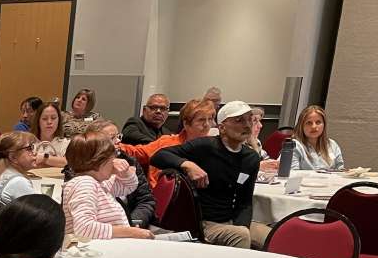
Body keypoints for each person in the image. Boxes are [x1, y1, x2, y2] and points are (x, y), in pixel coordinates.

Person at [153, 100, 271, 249]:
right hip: (203, 223)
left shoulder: (251, 158)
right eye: (239, 120)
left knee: (274, 236)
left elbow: (244, 201)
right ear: (222, 128)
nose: (247, 125)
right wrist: (188, 164)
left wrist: (243, 226)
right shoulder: (205, 146)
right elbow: (158, 156)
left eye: (249, 119)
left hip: (231, 220)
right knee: (240, 236)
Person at [62, 133, 152, 240]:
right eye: (112, 158)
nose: (114, 162)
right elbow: (84, 228)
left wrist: (125, 173)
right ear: (99, 161)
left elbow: (129, 187)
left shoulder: (99, 182)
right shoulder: (84, 184)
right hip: (97, 252)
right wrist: (130, 232)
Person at [119, 98, 215, 187]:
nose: (207, 124)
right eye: (201, 120)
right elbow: (138, 153)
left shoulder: (215, 146)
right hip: (164, 197)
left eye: (210, 119)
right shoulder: (167, 142)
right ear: (186, 124)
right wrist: (112, 146)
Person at [85, 120, 156, 228]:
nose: (118, 141)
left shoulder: (130, 162)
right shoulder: (83, 167)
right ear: (95, 142)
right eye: (112, 138)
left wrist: (133, 223)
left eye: (118, 136)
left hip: (132, 222)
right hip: (101, 226)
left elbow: (145, 200)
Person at [292, 104, 345, 171]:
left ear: (324, 125)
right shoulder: (294, 146)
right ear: (301, 126)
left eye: (318, 122)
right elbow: (292, 174)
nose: (314, 126)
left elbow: (340, 171)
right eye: (309, 123)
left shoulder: (332, 145)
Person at [30, 101, 68, 168]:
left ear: (59, 121)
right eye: (44, 119)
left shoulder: (66, 143)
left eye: (53, 118)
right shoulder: (28, 143)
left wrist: (44, 158)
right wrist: (56, 161)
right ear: (38, 121)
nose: (49, 122)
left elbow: (67, 162)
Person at [246, 107, 280, 173]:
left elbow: (265, 159)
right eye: (254, 121)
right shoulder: (234, 146)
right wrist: (258, 166)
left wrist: (273, 163)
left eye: (259, 121)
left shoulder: (256, 142)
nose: (260, 125)